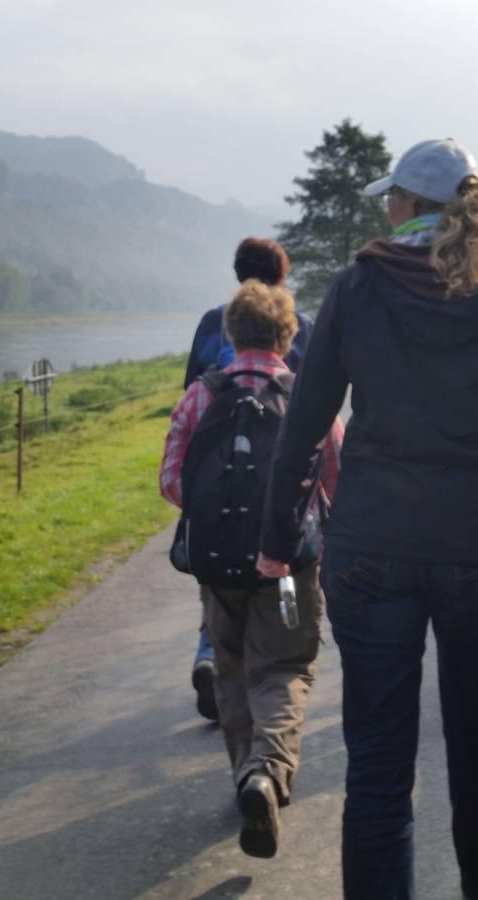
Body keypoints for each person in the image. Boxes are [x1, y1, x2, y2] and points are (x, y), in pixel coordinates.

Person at [256, 138, 478, 900]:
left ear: (410, 205)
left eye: (392, 197)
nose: (386, 208)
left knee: (379, 763)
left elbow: (304, 423)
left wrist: (277, 540)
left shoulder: (358, 288)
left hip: (372, 548)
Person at [160, 277, 342, 858]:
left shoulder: (201, 394)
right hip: (288, 565)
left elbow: (171, 479)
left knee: (232, 666)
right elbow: (336, 478)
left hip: (218, 568)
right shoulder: (305, 396)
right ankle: (268, 771)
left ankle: (246, 776)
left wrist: (217, 520)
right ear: (289, 336)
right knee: (285, 665)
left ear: (232, 335)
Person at [182, 238, 315, 722]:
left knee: (221, 576)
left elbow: (191, 392)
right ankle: (269, 686)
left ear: (239, 273)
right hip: (282, 486)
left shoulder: (212, 322)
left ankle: (210, 656)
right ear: (283, 274)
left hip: (219, 483)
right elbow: (318, 402)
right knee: (277, 585)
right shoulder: (302, 326)